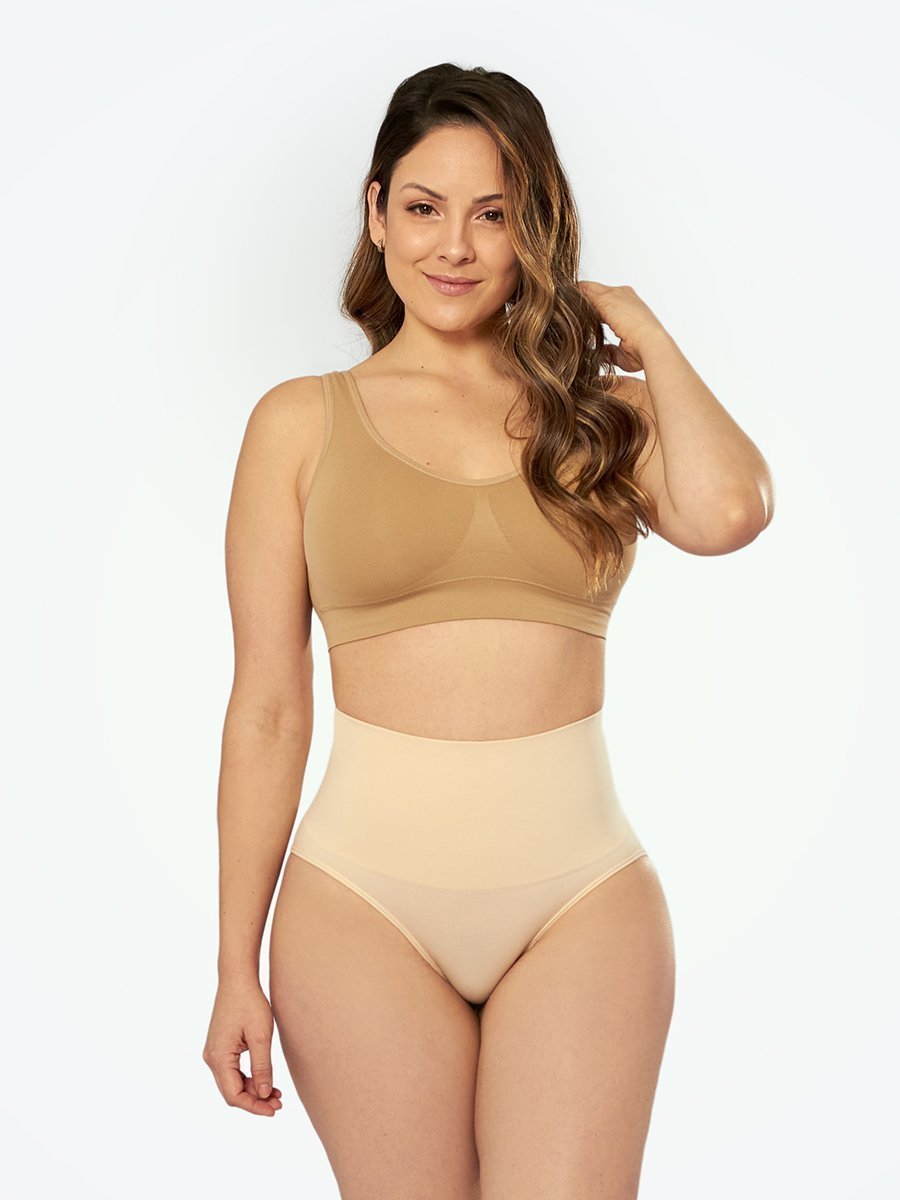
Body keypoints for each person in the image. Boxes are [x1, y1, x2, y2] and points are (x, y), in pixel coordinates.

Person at [202, 62, 775, 1199]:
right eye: (424, 208)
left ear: (535, 227)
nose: (455, 247)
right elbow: (267, 706)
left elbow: (729, 513)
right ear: (376, 213)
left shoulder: (599, 417)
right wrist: (233, 965)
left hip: (582, 901)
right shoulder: (300, 423)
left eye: (495, 214)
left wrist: (643, 330)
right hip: (359, 903)